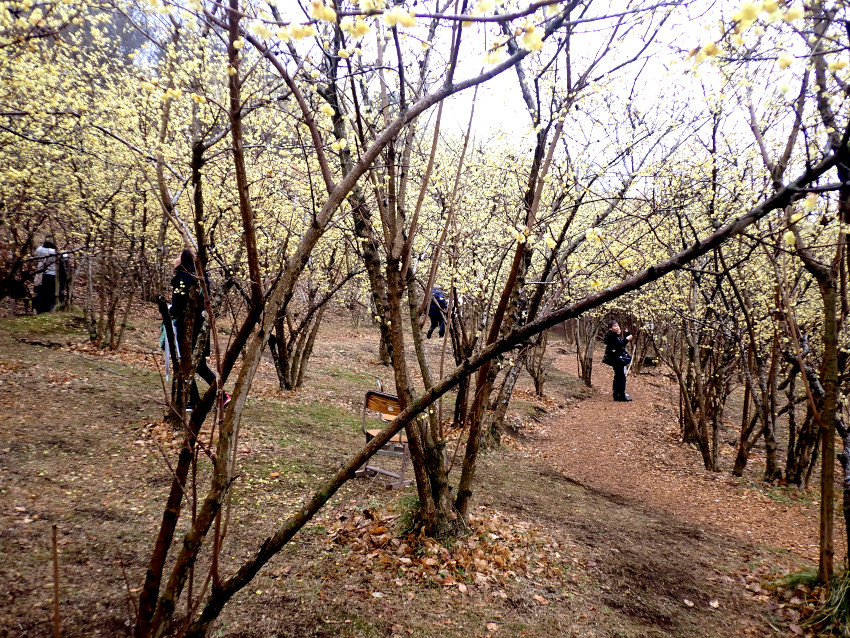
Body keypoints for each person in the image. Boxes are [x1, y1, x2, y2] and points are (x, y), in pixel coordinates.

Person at [170, 248, 229, 410]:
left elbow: (177, 306)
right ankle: (221, 396)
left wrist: (169, 311)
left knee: (186, 364)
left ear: (184, 261)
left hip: (188, 329)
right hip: (201, 327)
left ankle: (194, 399)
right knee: (199, 365)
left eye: (178, 256)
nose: (175, 259)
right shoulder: (201, 279)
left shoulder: (182, 279)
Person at [603, 320, 633, 402]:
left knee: (618, 376)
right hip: (616, 359)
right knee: (620, 377)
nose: (617, 327)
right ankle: (620, 395)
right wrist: (627, 339)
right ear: (610, 328)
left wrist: (627, 334)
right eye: (615, 326)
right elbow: (619, 345)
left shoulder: (613, 336)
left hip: (617, 358)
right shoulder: (611, 336)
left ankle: (617, 394)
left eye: (617, 325)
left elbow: (620, 343)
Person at [34, 236, 58, 314]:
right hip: (52, 275)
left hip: (41, 275)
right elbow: (65, 256)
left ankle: (40, 310)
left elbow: (39, 248)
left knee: (41, 293)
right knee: (51, 293)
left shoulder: (39, 250)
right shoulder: (54, 252)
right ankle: (50, 309)